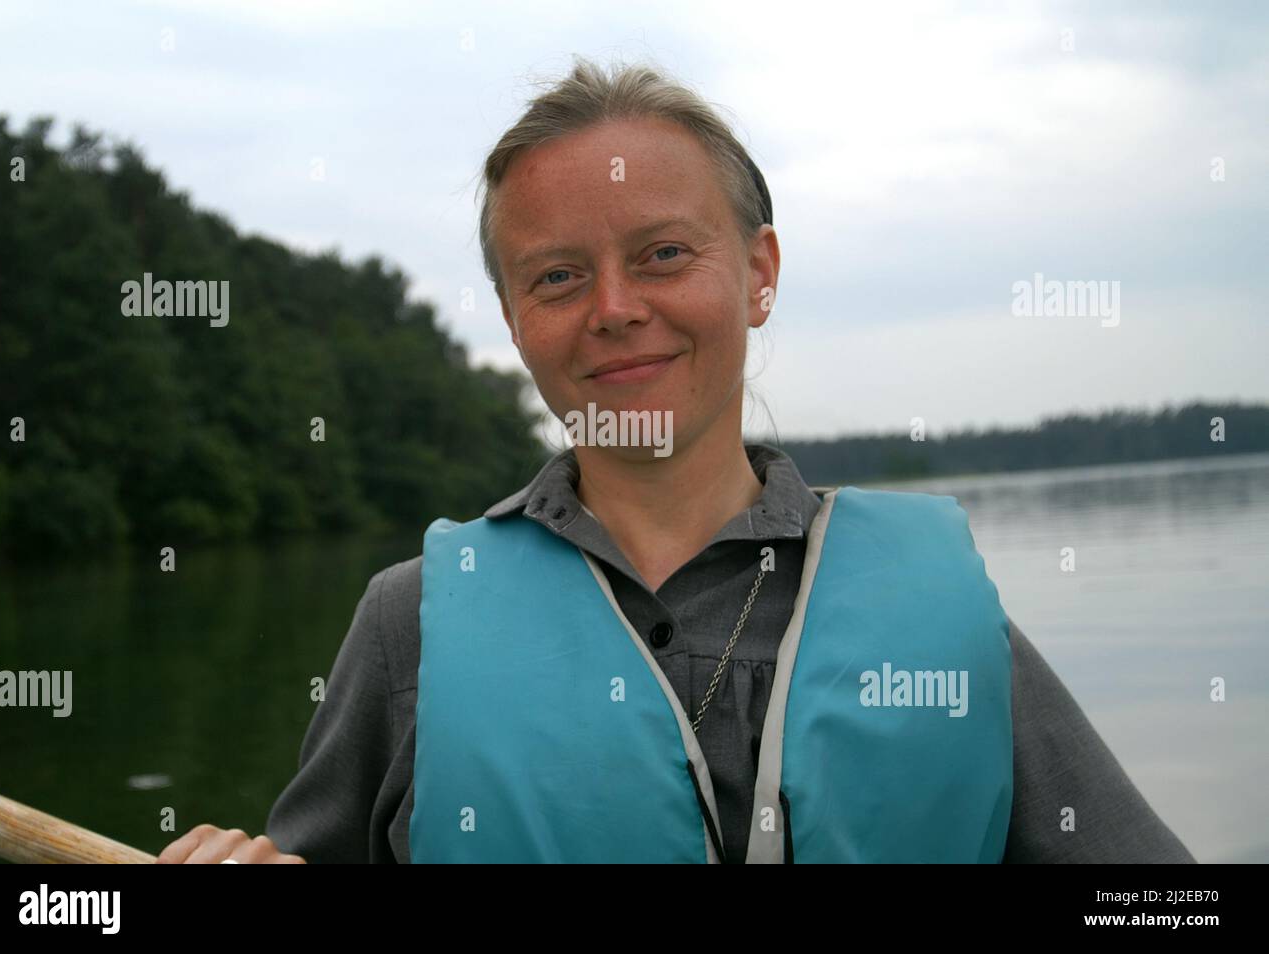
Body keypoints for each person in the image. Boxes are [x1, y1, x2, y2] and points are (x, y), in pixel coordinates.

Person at [156, 56, 1195, 864]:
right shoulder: (407, 627)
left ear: (756, 273)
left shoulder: (938, 608)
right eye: (558, 277)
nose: (615, 311)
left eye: (661, 254)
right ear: (516, 322)